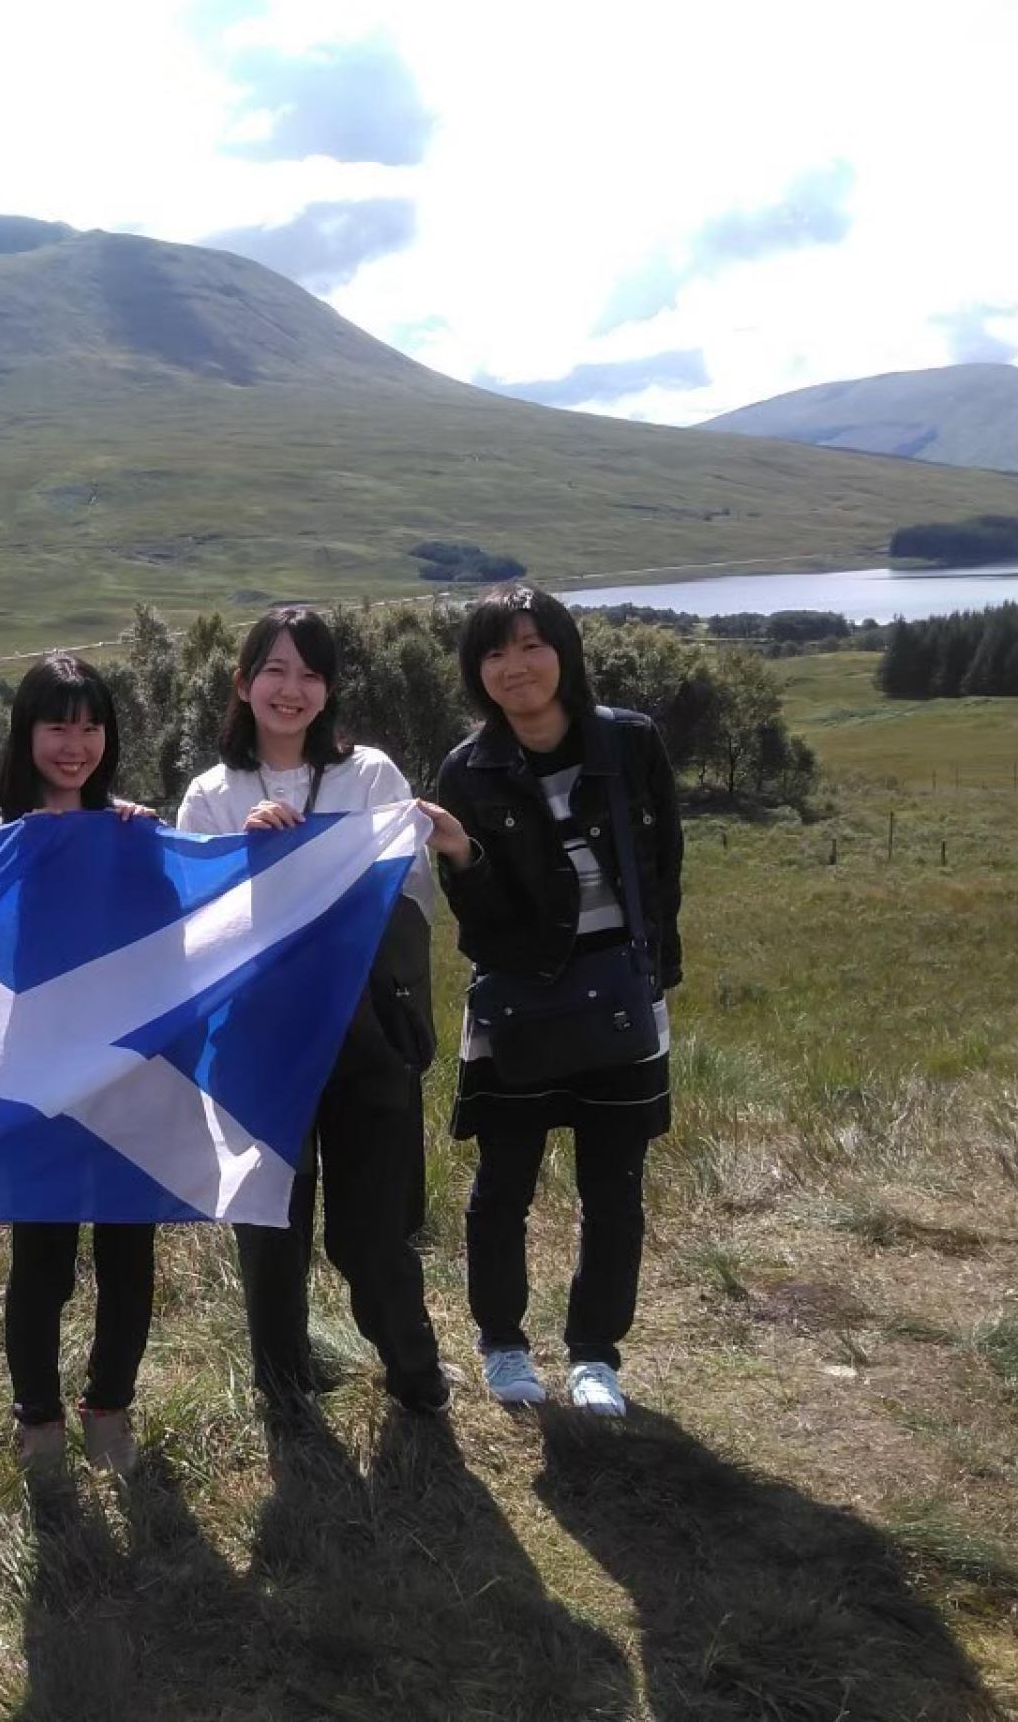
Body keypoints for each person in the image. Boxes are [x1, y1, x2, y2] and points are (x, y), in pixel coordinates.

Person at [174, 606, 452, 1425]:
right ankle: (285, 1395)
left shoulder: (370, 777)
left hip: (367, 1040)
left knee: (375, 1231)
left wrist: (322, 868)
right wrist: (253, 867)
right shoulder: (212, 796)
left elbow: (408, 898)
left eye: (310, 673)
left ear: (330, 689)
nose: (291, 690)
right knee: (270, 1229)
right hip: (260, 1051)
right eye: (275, 671)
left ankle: (416, 1381)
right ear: (243, 683)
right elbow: (195, 930)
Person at [433, 584, 684, 1419]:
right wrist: (465, 856)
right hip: (519, 1001)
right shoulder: (466, 772)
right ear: (477, 674)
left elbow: (664, 871)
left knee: (615, 1185)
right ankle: (503, 1345)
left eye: (531, 644)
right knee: (504, 1184)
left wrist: (650, 976)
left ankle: (594, 1357)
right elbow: (483, 920)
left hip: (621, 993)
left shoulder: (631, 744)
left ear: (564, 652)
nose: (515, 666)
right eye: (494, 653)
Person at [0, 653, 159, 1476]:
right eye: (58, 726)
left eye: (91, 727)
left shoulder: (133, 833)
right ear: (26, 734)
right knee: (40, 1262)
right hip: (32, 1082)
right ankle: (39, 1421)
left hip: (128, 1079)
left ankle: (109, 1410)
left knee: (129, 1256)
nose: (75, 744)